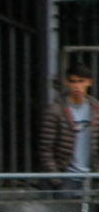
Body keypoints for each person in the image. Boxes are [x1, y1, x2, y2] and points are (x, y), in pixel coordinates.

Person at [38, 62, 99, 198]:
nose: (77, 86)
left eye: (81, 81)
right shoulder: (55, 110)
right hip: (66, 178)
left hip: (92, 178)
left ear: (89, 82)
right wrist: (57, 180)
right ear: (67, 82)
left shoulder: (95, 110)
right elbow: (45, 149)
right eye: (73, 81)